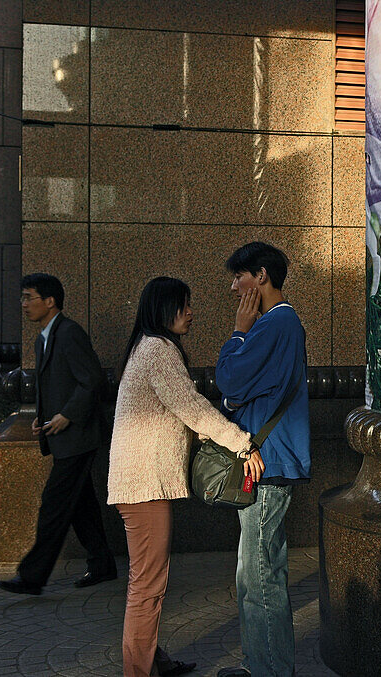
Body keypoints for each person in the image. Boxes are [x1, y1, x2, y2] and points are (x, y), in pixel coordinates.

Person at [108, 277, 263, 677]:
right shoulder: (157, 350)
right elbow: (192, 408)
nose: (191, 312)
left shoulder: (148, 348)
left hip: (139, 485)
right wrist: (241, 443)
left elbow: (183, 413)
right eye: (183, 305)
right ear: (163, 310)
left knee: (147, 582)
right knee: (147, 587)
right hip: (143, 487)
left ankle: (154, 663)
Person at [215, 242, 311, 677]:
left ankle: (269, 670)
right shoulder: (277, 324)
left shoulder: (276, 324)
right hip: (268, 461)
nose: (235, 287)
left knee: (259, 575)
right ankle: (261, 665)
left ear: (263, 275)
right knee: (256, 571)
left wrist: (238, 331)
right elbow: (235, 391)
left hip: (268, 464)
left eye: (240, 277)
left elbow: (230, 379)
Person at [0, 273, 115, 596]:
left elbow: (91, 380)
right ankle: (102, 564)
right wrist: (41, 419)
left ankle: (32, 576)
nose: (24, 305)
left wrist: (67, 415)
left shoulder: (69, 333)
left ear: (50, 301)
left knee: (54, 503)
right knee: (80, 504)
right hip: (62, 437)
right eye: (22, 298)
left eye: (28, 297)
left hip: (79, 437)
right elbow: (51, 386)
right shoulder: (43, 338)